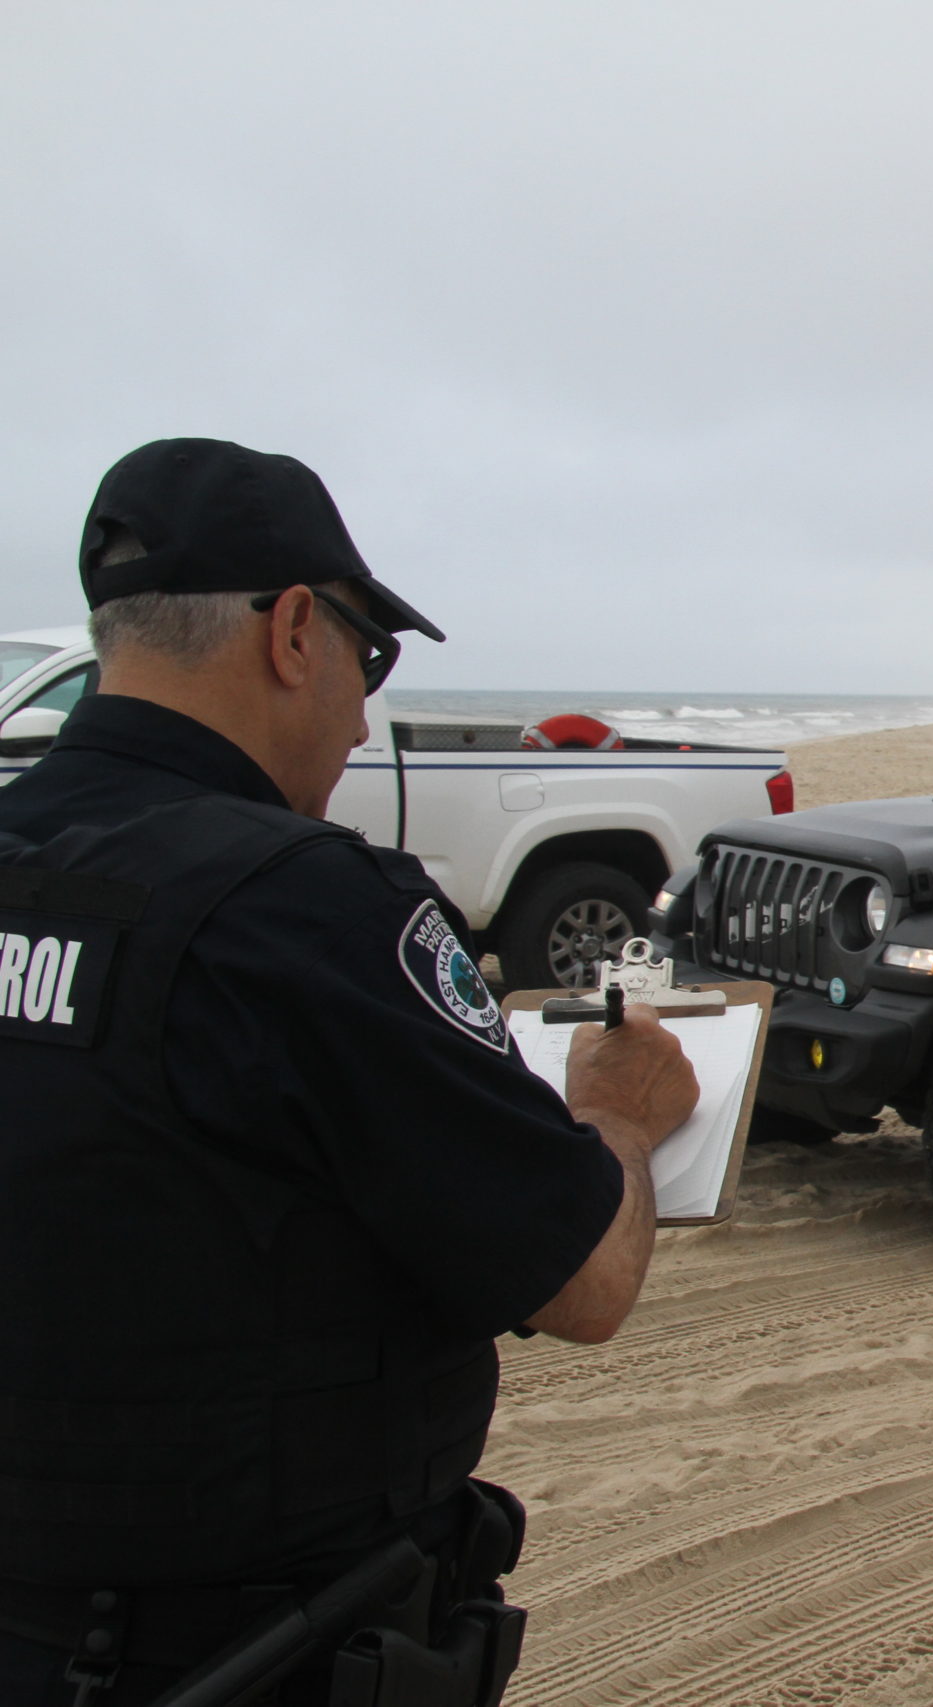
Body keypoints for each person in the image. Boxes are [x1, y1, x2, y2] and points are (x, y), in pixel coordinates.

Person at [0, 439, 700, 1704]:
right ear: (291, 633)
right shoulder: (309, 908)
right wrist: (619, 1114)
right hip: (249, 1648)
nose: (364, 710)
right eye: (366, 659)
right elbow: (584, 1283)